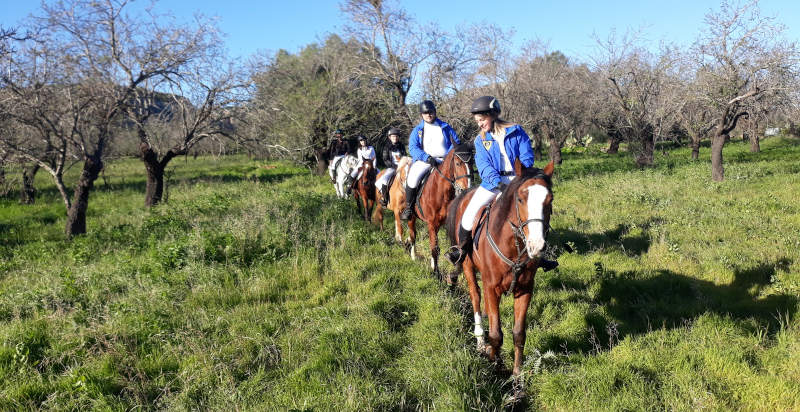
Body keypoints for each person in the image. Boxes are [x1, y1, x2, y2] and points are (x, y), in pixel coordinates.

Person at [445, 96, 557, 271]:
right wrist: (499, 184)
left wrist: (522, 175)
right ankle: (461, 250)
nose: (480, 124)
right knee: (468, 214)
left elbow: (527, 156)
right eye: (477, 121)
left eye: (482, 120)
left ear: (492, 115)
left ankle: (540, 254)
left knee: (536, 211)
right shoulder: (480, 140)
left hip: (519, 179)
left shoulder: (517, 131)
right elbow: (484, 166)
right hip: (493, 184)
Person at [401, 100, 461, 220]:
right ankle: (409, 207)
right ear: (421, 115)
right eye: (425, 113)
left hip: (445, 161)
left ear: (435, 112)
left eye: (431, 112)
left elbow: (456, 142)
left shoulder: (445, 127)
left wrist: (448, 157)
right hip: (425, 161)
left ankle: (460, 206)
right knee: (412, 178)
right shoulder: (418, 130)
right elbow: (413, 148)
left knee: (461, 178)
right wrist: (427, 158)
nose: (428, 115)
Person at [375, 127, 406, 206]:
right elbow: (385, 159)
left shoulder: (401, 146)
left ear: (398, 137)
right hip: (392, 167)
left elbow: (404, 157)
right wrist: (395, 167)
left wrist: (402, 166)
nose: (395, 138)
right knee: (384, 180)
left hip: (402, 167)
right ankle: (384, 198)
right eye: (393, 136)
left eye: (396, 136)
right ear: (390, 137)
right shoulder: (386, 147)